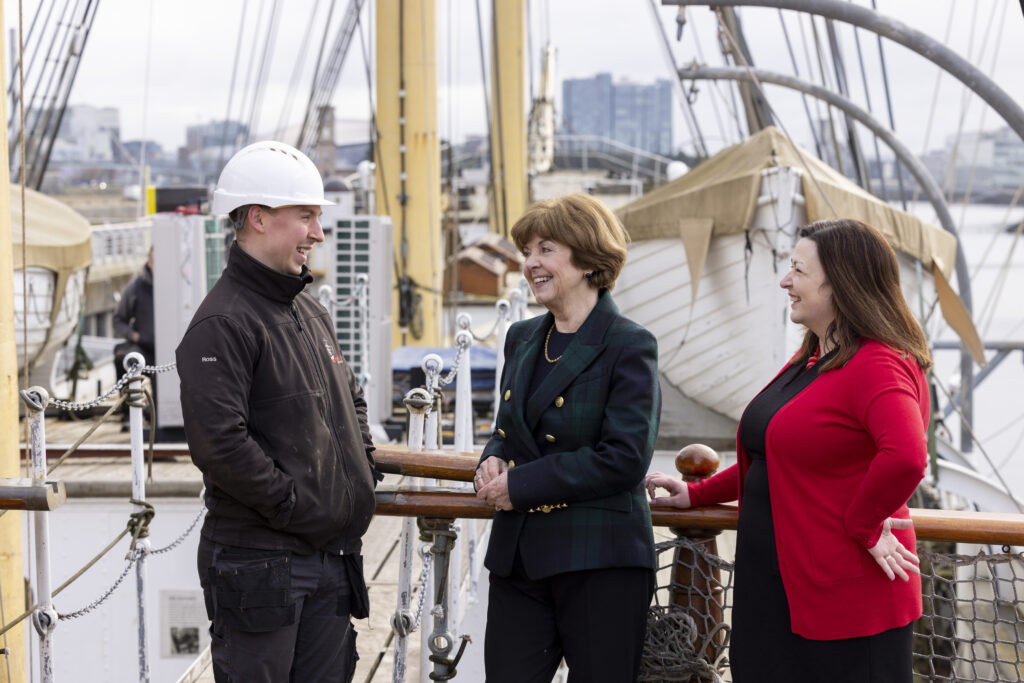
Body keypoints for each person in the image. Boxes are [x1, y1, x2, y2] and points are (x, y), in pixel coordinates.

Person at [646, 218, 931, 683]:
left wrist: (864, 524)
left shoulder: (879, 363)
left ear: (840, 283)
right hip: (774, 590)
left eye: (797, 270)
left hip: (843, 605)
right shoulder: (814, 357)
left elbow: (906, 456)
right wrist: (697, 495)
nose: (785, 281)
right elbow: (773, 455)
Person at [176, 140, 382, 682]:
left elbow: (350, 401)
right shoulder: (222, 323)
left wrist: (360, 469)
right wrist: (296, 504)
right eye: (307, 216)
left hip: (327, 558)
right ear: (260, 218)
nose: (318, 232)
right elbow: (219, 444)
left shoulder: (307, 309)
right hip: (260, 565)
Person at [474, 193, 661, 683]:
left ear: (587, 258)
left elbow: (625, 458)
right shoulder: (521, 337)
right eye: (528, 251)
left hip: (600, 558)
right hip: (520, 557)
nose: (530, 262)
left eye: (546, 249)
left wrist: (523, 484)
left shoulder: (629, 343)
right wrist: (491, 460)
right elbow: (507, 431)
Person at [113, 247, 155, 419]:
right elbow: (118, 320)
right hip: (143, 347)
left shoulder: (177, 285)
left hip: (170, 350)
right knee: (124, 359)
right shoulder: (135, 288)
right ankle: (129, 414)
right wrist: (134, 336)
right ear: (149, 262)